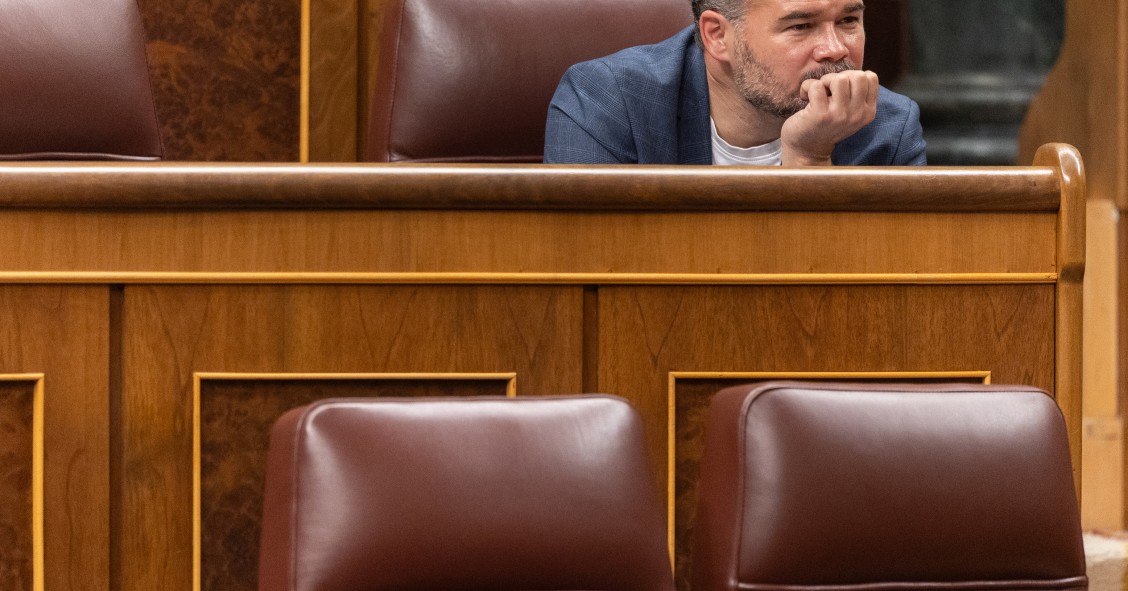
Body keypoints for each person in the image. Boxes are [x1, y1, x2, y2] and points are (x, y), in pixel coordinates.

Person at [544, 0, 926, 166]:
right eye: (801, 26)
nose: (834, 49)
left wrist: (809, 157)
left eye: (848, 21)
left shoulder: (885, 128)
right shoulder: (609, 102)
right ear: (717, 36)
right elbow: (595, 281)